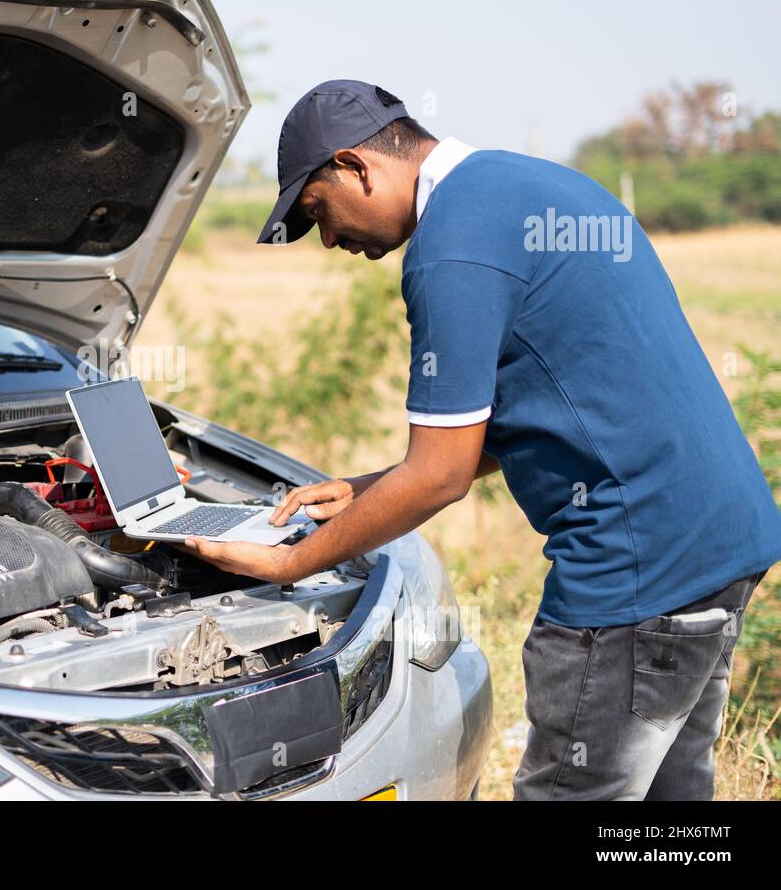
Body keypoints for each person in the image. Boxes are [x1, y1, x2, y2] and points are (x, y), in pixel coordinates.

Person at [181, 79, 781, 800]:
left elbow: (440, 476)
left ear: (356, 166)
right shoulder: (531, 182)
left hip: (636, 574)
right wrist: (363, 490)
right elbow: (552, 402)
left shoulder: (448, 252)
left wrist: (290, 565)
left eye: (319, 212)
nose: (333, 240)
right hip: (722, 544)